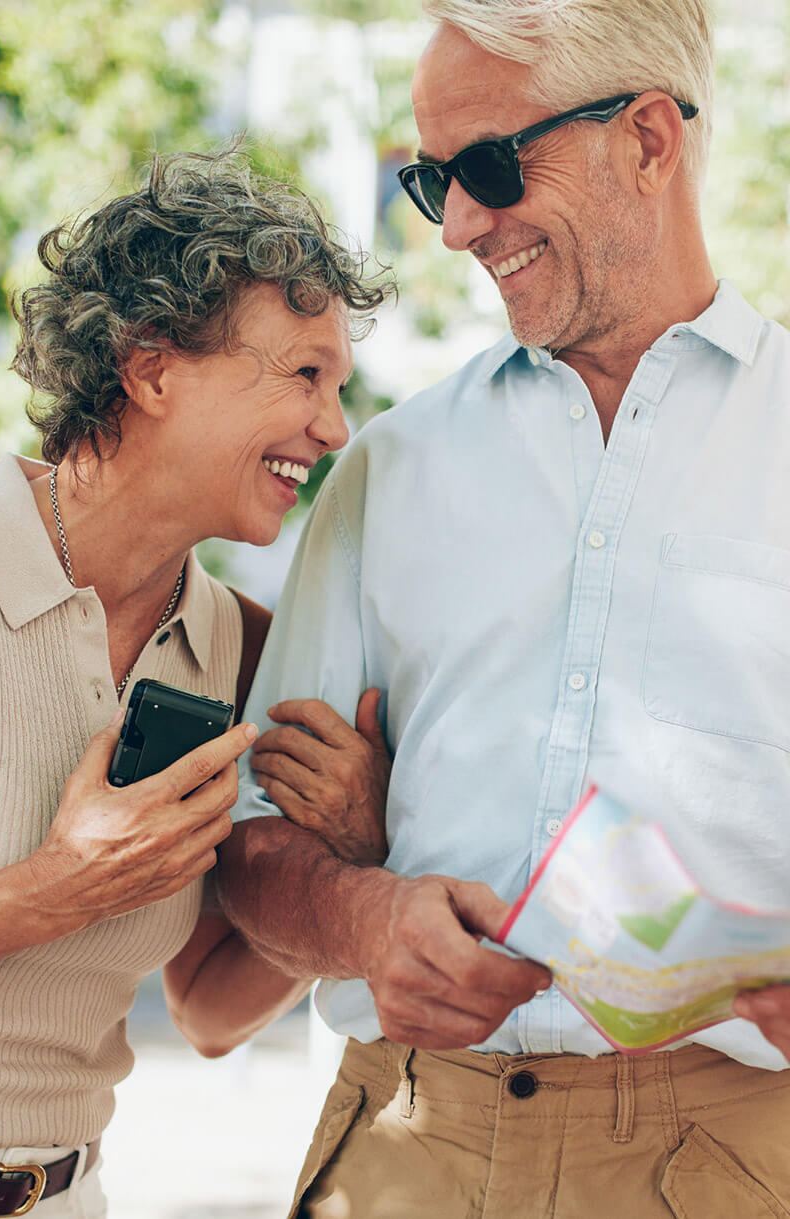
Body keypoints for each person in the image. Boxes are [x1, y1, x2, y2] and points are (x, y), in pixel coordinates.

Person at [217, 3, 790, 1216]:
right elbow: (252, 849)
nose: (461, 227)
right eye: (436, 183)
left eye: (488, 166)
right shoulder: (390, 463)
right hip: (401, 1143)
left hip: (729, 1162)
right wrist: (367, 916)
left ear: (647, 138)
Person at [0, 150, 393, 1219]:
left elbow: (214, 1013)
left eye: (340, 388)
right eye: (304, 376)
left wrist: (356, 848)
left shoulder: (241, 649)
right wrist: (52, 891)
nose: (333, 429)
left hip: (70, 1192)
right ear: (152, 369)